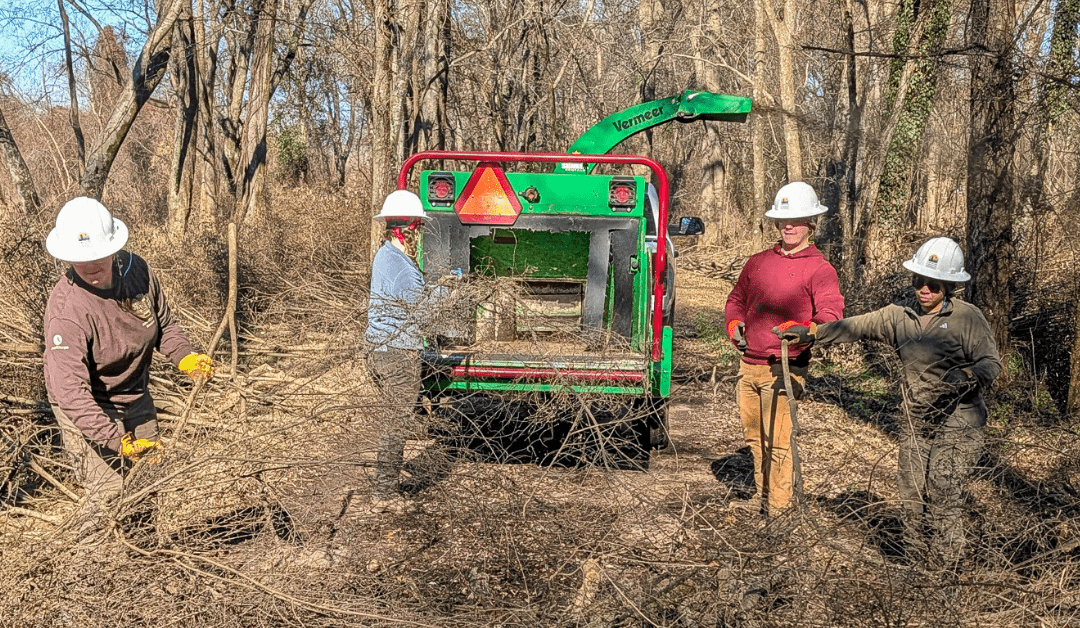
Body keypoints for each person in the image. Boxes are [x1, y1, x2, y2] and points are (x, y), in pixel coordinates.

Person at [775, 237, 1001, 568]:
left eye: (934, 285)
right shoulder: (898, 316)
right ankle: (914, 563)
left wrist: (966, 375)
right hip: (916, 418)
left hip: (961, 419)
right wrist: (812, 333)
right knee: (911, 494)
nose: (925, 290)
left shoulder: (968, 318)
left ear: (949, 286)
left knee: (942, 486)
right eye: (919, 282)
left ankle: (943, 569)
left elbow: (991, 364)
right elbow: (854, 326)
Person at [42, 197, 214, 525]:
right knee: (110, 493)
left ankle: (143, 562)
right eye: (80, 261)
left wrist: (186, 356)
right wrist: (115, 439)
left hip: (134, 395)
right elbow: (71, 393)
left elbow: (163, 324)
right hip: (88, 405)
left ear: (113, 247)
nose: (90, 267)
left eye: (97, 257)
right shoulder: (67, 312)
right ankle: (90, 569)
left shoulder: (138, 273)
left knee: (148, 482)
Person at [723, 182, 845, 515]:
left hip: (785, 369)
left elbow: (831, 314)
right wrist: (734, 324)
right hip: (749, 366)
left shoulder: (820, 269)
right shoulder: (758, 262)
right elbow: (735, 300)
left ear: (812, 224)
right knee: (755, 440)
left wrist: (805, 331)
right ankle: (761, 498)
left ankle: (777, 510)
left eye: (798, 219)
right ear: (777, 223)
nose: (790, 226)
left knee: (778, 443)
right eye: (784, 220)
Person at [365, 190, 453, 514]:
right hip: (397, 354)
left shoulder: (387, 256)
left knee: (397, 419)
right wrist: (448, 290)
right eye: (417, 228)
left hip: (380, 349)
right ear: (408, 228)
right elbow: (425, 311)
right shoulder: (400, 264)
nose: (419, 234)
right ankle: (384, 493)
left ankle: (385, 480)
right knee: (397, 422)